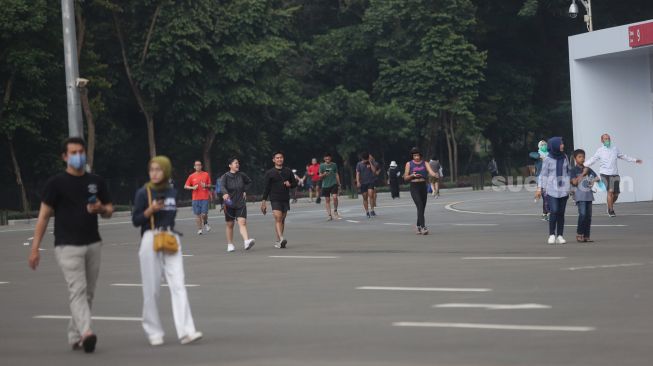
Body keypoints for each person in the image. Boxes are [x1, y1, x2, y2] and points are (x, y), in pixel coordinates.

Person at [28, 137, 114, 353]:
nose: (78, 156)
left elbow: (110, 210)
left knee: (88, 293)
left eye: (81, 152)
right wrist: (35, 248)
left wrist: (101, 209)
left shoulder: (96, 181)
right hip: (67, 246)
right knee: (78, 289)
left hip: (93, 243)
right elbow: (44, 216)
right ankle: (87, 333)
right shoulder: (56, 184)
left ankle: (75, 335)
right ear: (65, 157)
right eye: (73, 152)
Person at [132, 156, 203, 346]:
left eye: (158, 169)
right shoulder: (143, 192)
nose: (154, 173)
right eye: (151, 169)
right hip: (150, 239)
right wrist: (150, 210)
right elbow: (136, 220)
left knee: (179, 284)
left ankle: (187, 331)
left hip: (170, 238)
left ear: (166, 171)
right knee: (152, 288)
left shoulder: (172, 191)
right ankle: (153, 331)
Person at [584, 133, 643, 217]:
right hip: (604, 174)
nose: (607, 140)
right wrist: (584, 165)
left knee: (616, 194)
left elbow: (623, 156)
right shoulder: (600, 150)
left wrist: (635, 160)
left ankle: (609, 204)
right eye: (605, 139)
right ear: (602, 140)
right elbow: (593, 159)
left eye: (608, 139)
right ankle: (611, 210)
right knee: (610, 191)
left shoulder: (615, 149)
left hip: (615, 174)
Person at [535, 137, 570, 245]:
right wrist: (539, 188)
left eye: (562, 143)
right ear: (555, 145)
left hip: (563, 190)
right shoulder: (548, 159)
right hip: (551, 190)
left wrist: (571, 187)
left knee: (561, 213)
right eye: (560, 144)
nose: (562, 145)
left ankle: (560, 235)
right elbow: (543, 175)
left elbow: (568, 172)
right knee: (554, 211)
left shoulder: (565, 157)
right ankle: (551, 235)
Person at [261, 151, 297, 248]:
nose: (279, 159)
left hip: (285, 198)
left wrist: (290, 184)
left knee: (282, 219)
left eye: (281, 157)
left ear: (283, 159)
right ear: (273, 160)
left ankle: (278, 241)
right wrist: (263, 201)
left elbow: (294, 184)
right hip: (275, 198)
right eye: (277, 158)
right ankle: (281, 238)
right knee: (278, 218)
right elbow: (266, 188)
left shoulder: (288, 171)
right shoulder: (270, 173)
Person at [220, 158, 255, 253]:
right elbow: (222, 186)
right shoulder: (225, 176)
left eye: (238, 163)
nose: (237, 164)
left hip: (240, 203)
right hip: (229, 204)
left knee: (242, 222)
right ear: (230, 165)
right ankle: (230, 244)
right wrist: (225, 193)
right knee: (230, 224)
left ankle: (246, 241)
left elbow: (249, 182)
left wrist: (244, 190)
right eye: (235, 163)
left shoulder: (242, 175)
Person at [403, 147, 439, 235]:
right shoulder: (409, 164)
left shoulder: (425, 163)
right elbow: (405, 177)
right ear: (412, 156)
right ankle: (423, 227)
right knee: (419, 205)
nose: (416, 157)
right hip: (414, 187)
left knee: (422, 208)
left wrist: (435, 174)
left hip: (423, 186)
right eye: (414, 155)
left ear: (420, 155)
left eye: (417, 155)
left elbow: (431, 172)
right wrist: (412, 175)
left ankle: (418, 226)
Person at [571, 149, 599, 243]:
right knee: (582, 215)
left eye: (583, 157)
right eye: (579, 157)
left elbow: (597, 178)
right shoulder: (573, 170)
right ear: (575, 159)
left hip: (589, 195)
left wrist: (592, 181)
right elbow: (574, 182)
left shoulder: (588, 168)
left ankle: (586, 236)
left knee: (588, 216)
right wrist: (583, 173)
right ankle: (579, 234)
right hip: (579, 195)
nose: (582, 159)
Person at [184, 160, 212, 235]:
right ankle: (200, 229)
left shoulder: (206, 174)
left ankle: (205, 222)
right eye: (196, 165)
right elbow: (185, 186)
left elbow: (210, 185)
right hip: (195, 198)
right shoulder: (191, 176)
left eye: (199, 165)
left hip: (204, 197)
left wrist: (205, 186)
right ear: (194, 167)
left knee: (204, 214)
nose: (198, 166)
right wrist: (192, 188)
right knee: (197, 215)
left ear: (201, 166)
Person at [529, 140, 550, 221]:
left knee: (549, 196)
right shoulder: (537, 154)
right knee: (545, 196)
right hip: (541, 177)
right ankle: (547, 212)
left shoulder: (549, 154)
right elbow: (531, 154)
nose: (544, 146)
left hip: (550, 177)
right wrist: (539, 156)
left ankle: (545, 213)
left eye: (545, 144)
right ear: (539, 146)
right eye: (542, 145)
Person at [319, 152, 342, 220]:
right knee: (327, 200)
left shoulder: (334, 165)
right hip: (325, 185)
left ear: (330, 158)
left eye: (328, 158)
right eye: (326, 158)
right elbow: (319, 176)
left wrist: (339, 183)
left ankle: (335, 210)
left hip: (333, 184)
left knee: (335, 197)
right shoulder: (322, 166)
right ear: (324, 159)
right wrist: (324, 174)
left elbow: (336, 174)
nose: (327, 159)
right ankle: (329, 215)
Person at [356, 152, 378, 218]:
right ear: (362, 159)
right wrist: (358, 182)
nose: (366, 160)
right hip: (363, 183)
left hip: (370, 181)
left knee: (371, 195)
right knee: (365, 197)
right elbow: (357, 173)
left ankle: (372, 210)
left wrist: (370, 162)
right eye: (365, 159)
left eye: (367, 159)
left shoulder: (371, 163)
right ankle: (367, 211)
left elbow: (374, 171)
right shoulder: (359, 164)